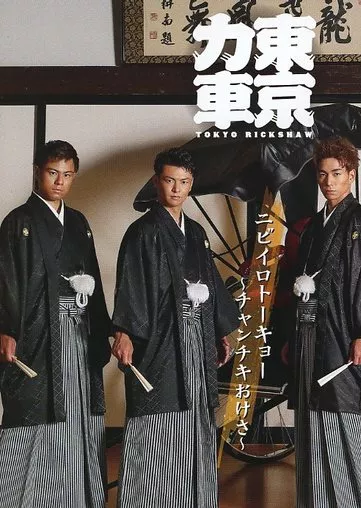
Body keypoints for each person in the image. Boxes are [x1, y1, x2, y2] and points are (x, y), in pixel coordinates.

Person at [112, 148, 238, 508]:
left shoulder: (196, 232)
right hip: (162, 339)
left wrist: (219, 331)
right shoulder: (141, 232)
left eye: (184, 182)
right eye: (169, 180)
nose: (176, 189)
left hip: (197, 335)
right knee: (158, 412)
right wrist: (123, 333)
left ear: (191, 184)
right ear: (157, 182)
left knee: (197, 413)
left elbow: (210, 284)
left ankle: (193, 499)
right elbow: (130, 285)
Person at [0, 140, 111, 507]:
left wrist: (103, 329)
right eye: (53, 173)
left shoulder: (78, 222)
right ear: (37, 172)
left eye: (67, 175)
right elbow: (6, 279)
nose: (60, 182)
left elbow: (93, 277)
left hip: (78, 329)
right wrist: (7, 329)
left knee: (78, 408)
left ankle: (76, 496)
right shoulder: (18, 222)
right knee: (36, 406)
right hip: (37, 332)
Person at [289, 137, 361, 508]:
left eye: (337, 173)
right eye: (322, 175)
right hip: (312, 334)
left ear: (351, 174)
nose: (329, 182)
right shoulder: (313, 227)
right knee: (314, 419)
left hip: (346, 335)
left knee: (349, 415)